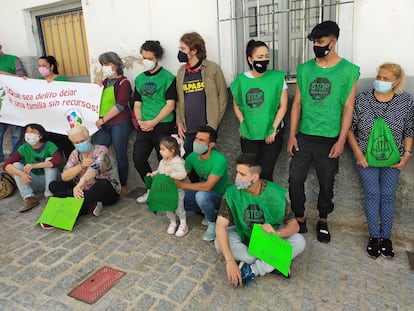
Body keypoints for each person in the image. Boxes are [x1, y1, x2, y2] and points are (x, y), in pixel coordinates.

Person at [287, 21, 360, 243]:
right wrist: (292, 135)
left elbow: (348, 108)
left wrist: (341, 141)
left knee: (326, 181)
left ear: (333, 41)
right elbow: (297, 104)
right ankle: (299, 218)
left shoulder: (348, 71)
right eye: (314, 42)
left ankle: (323, 220)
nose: (317, 46)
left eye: (321, 42)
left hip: (329, 138)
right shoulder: (305, 69)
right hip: (305, 135)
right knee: (294, 179)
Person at [347, 63, 414, 259]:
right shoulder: (363, 100)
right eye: (379, 76)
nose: (380, 81)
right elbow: (350, 129)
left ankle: (386, 238)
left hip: (393, 159)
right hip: (366, 158)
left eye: (386, 78)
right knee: (372, 194)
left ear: (396, 81)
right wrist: (358, 154)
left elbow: (409, 130)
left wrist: (406, 155)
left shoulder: (406, 102)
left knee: (387, 196)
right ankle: (373, 237)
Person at [215, 153, 306, 287]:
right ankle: (274, 262)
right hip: (242, 235)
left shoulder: (276, 193)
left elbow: (294, 225)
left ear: (255, 177)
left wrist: (278, 234)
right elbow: (220, 226)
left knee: (300, 241)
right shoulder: (231, 193)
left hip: (266, 239)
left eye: (242, 174)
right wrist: (229, 261)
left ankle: (253, 269)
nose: (237, 178)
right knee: (219, 244)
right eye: (237, 173)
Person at [231, 39, 288, 181]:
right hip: (249, 133)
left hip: (271, 133)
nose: (264, 60)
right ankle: (251, 202)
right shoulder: (241, 81)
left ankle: (266, 202)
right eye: (260, 57)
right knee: (251, 173)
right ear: (250, 59)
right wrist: (243, 123)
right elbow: (236, 104)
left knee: (267, 172)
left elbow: (283, 106)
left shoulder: (277, 78)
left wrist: (274, 128)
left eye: (266, 57)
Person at [46, 125, 120, 229]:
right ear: (73, 143)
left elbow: (94, 169)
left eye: (83, 140)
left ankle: (71, 212)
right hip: (84, 190)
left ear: (89, 138)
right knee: (54, 185)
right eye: (77, 142)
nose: (80, 144)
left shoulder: (101, 150)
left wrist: (79, 185)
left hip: (107, 191)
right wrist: (80, 166)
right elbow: (64, 176)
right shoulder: (75, 154)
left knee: (103, 184)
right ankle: (90, 203)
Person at [133, 41, 177, 203]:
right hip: (144, 126)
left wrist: (154, 122)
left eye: (149, 58)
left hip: (163, 125)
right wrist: (140, 121)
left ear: (157, 58)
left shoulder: (168, 77)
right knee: (138, 159)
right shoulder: (139, 79)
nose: (145, 61)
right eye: (143, 57)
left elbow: (170, 104)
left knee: (164, 162)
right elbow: (137, 103)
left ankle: (163, 194)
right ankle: (150, 189)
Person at [175, 32, 228, 158]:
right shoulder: (182, 71)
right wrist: (179, 122)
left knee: (206, 160)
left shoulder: (212, 68)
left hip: (207, 126)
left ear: (194, 50)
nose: (180, 52)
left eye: (183, 49)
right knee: (189, 160)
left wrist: (213, 124)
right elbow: (178, 99)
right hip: (188, 126)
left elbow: (223, 98)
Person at [173, 125, 229, 241]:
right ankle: (205, 212)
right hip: (202, 192)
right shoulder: (192, 157)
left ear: (211, 145)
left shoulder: (220, 160)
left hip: (219, 197)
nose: (196, 142)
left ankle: (213, 222)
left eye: (201, 140)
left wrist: (182, 185)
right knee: (175, 195)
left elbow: (208, 186)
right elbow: (181, 175)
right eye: (196, 139)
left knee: (201, 196)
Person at [92, 52, 132, 198]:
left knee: (120, 153)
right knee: (98, 152)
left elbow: (120, 106)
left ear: (116, 64)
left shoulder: (124, 83)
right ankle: (99, 182)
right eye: (102, 65)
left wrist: (103, 120)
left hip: (119, 122)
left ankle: (123, 184)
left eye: (107, 64)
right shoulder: (103, 83)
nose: (104, 67)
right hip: (103, 124)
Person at [3, 123, 61, 212]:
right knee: (16, 166)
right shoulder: (24, 148)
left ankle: (49, 195)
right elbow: (6, 165)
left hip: (52, 181)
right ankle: (29, 198)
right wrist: (21, 174)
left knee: (49, 160)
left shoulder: (49, 145)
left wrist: (34, 165)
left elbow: (57, 161)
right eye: (27, 132)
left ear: (40, 135)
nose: (29, 134)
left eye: (33, 132)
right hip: (33, 180)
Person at [148, 136, 188, 237]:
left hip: (176, 190)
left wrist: (173, 175)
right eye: (160, 149)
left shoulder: (178, 162)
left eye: (163, 149)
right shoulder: (163, 162)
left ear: (172, 151)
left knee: (179, 208)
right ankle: (173, 222)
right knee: (168, 207)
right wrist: (154, 174)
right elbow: (160, 171)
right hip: (165, 190)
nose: (160, 151)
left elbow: (183, 174)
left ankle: (183, 224)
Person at [37, 55, 73, 159]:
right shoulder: (37, 82)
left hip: (61, 121)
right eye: (39, 66)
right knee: (52, 150)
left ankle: (71, 171)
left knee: (67, 147)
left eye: (44, 65)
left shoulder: (62, 80)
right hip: (46, 122)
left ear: (51, 66)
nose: (41, 68)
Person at [0, 43, 27, 163]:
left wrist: (5, 75)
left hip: (14, 105)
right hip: (1, 107)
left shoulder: (13, 59)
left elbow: (23, 77)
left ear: (0, 47)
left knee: (16, 135)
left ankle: (13, 160)